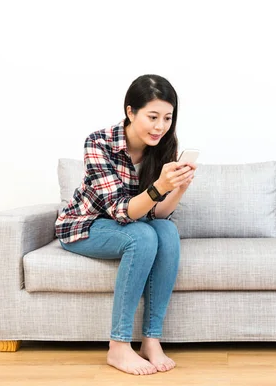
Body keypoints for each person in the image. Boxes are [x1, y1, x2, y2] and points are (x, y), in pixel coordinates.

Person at [55, 74, 196, 376]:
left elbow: (158, 215)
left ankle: (151, 340)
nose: (160, 126)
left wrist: (180, 187)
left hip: (128, 225)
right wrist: (159, 186)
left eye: (168, 118)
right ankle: (118, 347)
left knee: (167, 232)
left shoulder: (163, 146)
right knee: (142, 237)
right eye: (152, 116)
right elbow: (122, 213)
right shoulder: (98, 143)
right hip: (85, 227)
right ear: (131, 112)